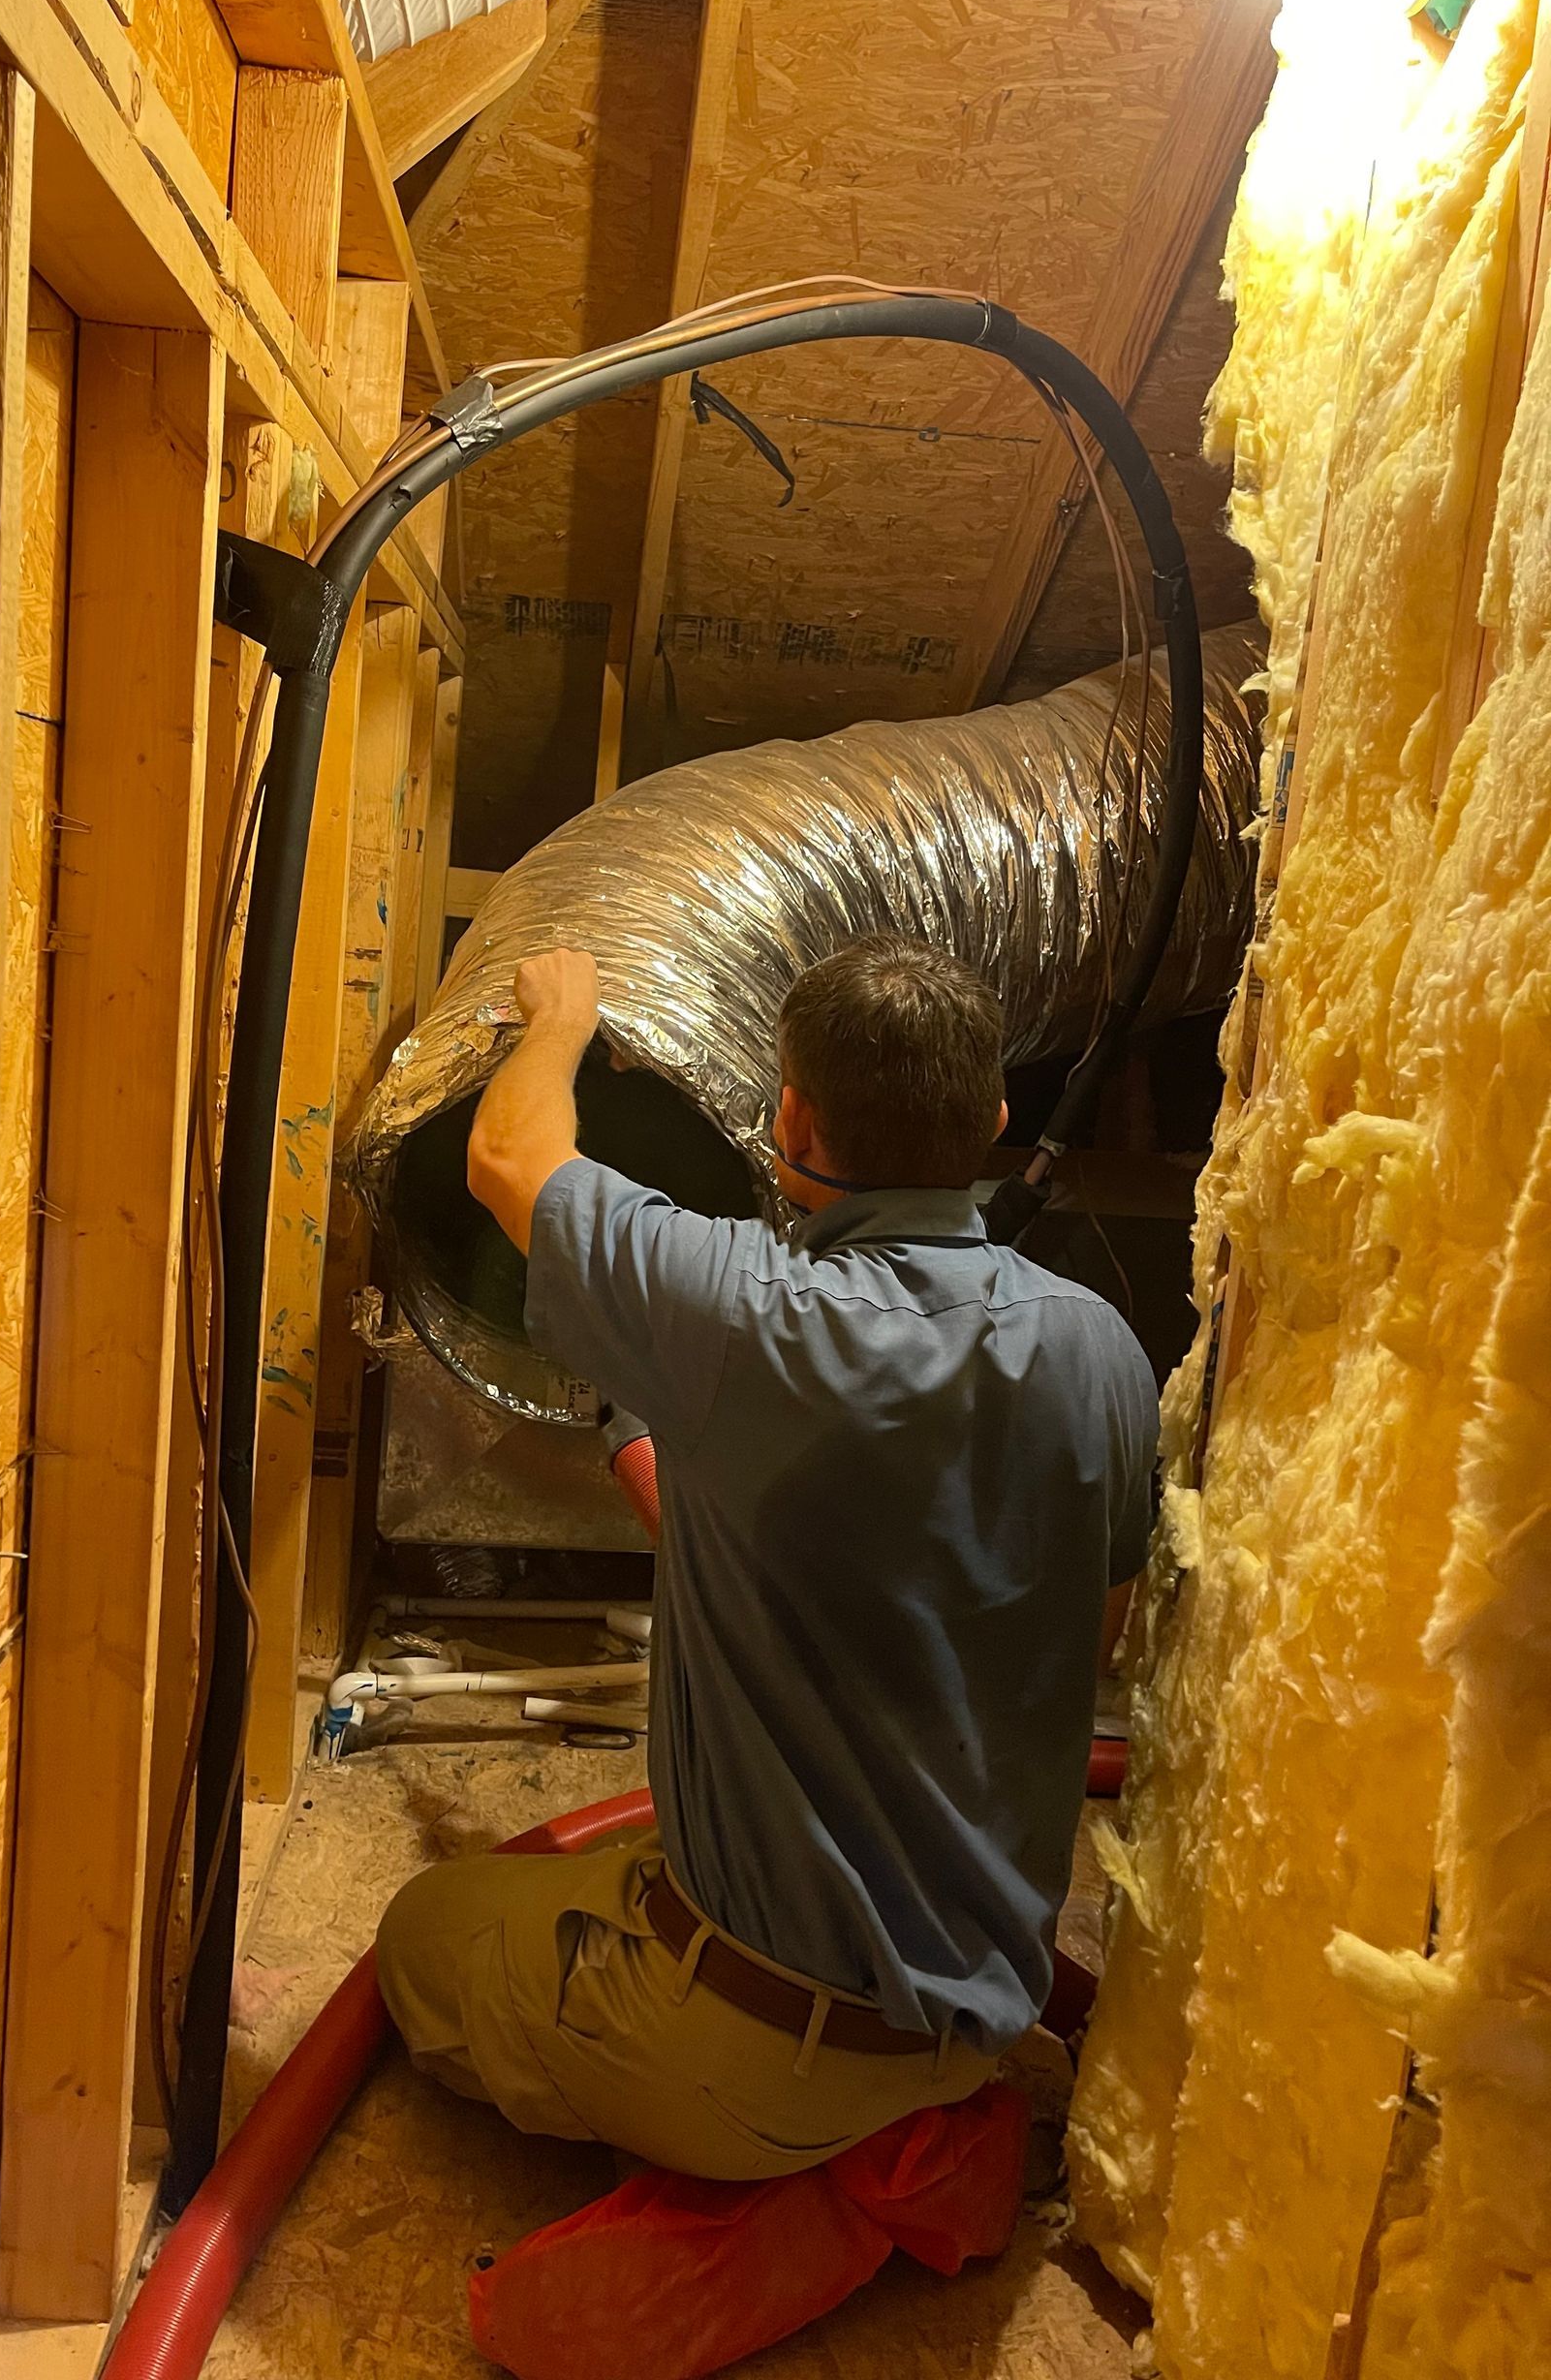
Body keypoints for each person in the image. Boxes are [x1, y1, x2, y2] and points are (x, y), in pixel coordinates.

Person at [374, 933, 1159, 2183]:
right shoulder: (1101, 1344)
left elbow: (512, 1156)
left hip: (751, 2062)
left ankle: (813, 2196)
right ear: (996, 1119)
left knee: (428, 1931)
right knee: (634, 1878)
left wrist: (560, 1020)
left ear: (795, 1113)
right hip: (978, 2010)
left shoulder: (745, 1313)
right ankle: (923, 2125)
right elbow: (1094, 1628)